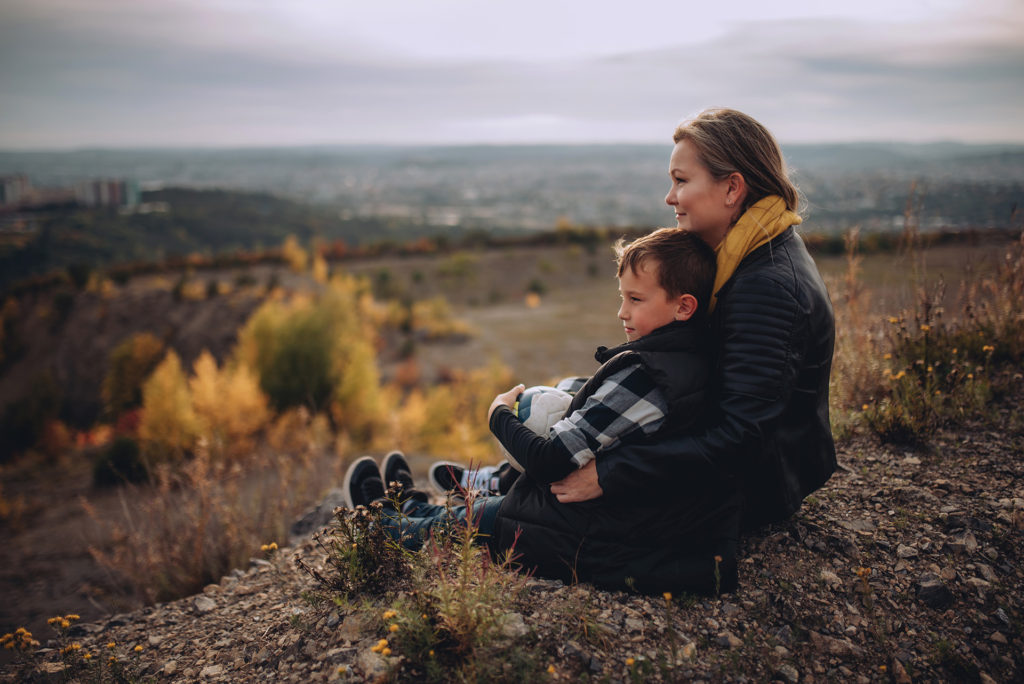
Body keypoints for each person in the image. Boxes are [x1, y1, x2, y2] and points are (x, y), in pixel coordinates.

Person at [343, 228, 742, 595]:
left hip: (598, 531)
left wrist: (499, 415)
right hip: (626, 515)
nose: (622, 312)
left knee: (488, 518)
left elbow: (549, 461)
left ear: (684, 306)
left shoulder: (646, 377)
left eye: (636, 299)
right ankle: (411, 507)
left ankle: (382, 527)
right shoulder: (694, 358)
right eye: (622, 296)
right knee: (486, 509)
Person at [550, 107, 837, 533]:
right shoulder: (756, 252)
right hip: (746, 467)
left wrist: (611, 472)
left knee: (557, 497)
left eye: (681, 181)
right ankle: (491, 485)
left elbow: (741, 436)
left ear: (732, 188)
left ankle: (447, 518)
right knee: (575, 398)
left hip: (753, 490)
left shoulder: (766, 286)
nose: (670, 197)